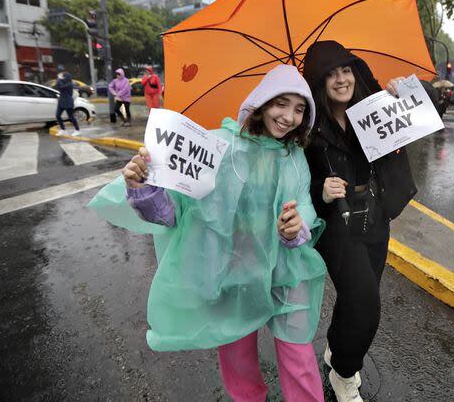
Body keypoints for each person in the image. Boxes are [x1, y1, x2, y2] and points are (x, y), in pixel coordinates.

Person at [89, 65, 327, 401]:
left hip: (287, 270)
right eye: (281, 103)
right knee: (237, 358)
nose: (289, 117)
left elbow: (305, 203)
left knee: (298, 354)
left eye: (300, 109)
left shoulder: (294, 155)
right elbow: (173, 213)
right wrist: (142, 185)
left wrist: (296, 225)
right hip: (234, 270)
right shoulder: (217, 146)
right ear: (261, 103)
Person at [301, 41, 417, 402]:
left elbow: (424, 112)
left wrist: (409, 90)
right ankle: (344, 374)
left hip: (375, 217)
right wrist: (321, 188)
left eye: (346, 70)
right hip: (337, 225)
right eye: (331, 73)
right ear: (319, 81)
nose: (340, 79)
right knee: (366, 305)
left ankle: (336, 349)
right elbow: (293, 178)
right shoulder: (308, 126)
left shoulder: (376, 107)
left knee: (356, 297)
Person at [55, 72, 81, 136]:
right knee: (58, 115)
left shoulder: (69, 84)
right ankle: (63, 129)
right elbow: (57, 86)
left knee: (71, 117)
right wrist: (59, 79)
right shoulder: (62, 82)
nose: (62, 77)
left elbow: (61, 87)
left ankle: (77, 130)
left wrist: (59, 79)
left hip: (68, 101)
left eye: (63, 76)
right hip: (61, 101)